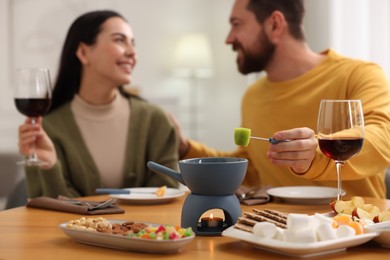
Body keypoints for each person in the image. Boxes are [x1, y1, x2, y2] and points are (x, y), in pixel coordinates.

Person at [174, 0, 390, 198]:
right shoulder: (253, 96)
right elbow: (251, 170)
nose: (229, 38)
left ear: (275, 25)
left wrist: (316, 152)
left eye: (237, 24)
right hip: (279, 231)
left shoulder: (359, 74)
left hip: (356, 228)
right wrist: (185, 148)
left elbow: (383, 136)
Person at [18, 10, 178, 198]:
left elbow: (166, 193)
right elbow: (45, 210)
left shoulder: (156, 120)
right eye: (119, 40)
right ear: (84, 52)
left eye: (133, 43)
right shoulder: (48, 129)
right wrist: (50, 167)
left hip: (146, 229)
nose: (132, 52)